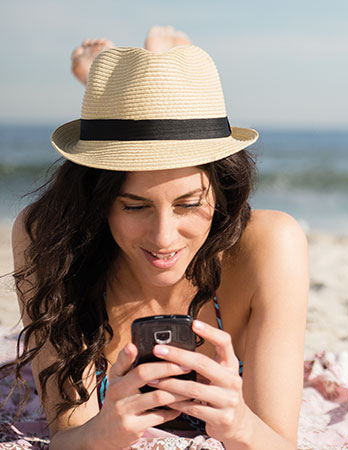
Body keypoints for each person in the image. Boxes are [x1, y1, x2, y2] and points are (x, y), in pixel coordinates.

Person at [4, 35, 308, 450]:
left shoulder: (269, 245)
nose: (164, 239)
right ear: (98, 203)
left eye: (188, 204)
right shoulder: (52, 241)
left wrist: (239, 425)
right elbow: (68, 438)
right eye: (133, 207)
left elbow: (280, 442)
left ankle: (128, 76)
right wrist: (104, 432)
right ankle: (117, 78)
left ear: (221, 192)